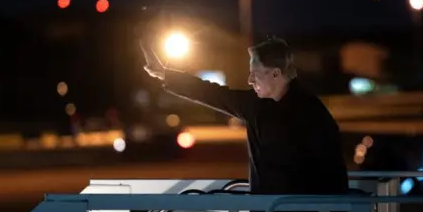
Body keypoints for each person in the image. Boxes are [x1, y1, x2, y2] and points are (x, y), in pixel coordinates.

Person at [140, 37, 349, 196]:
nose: (249, 80)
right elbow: (212, 93)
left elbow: (333, 173)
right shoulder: (256, 105)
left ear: (275, 74)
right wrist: (164, 74)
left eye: (255, 74)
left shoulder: (312, 115)